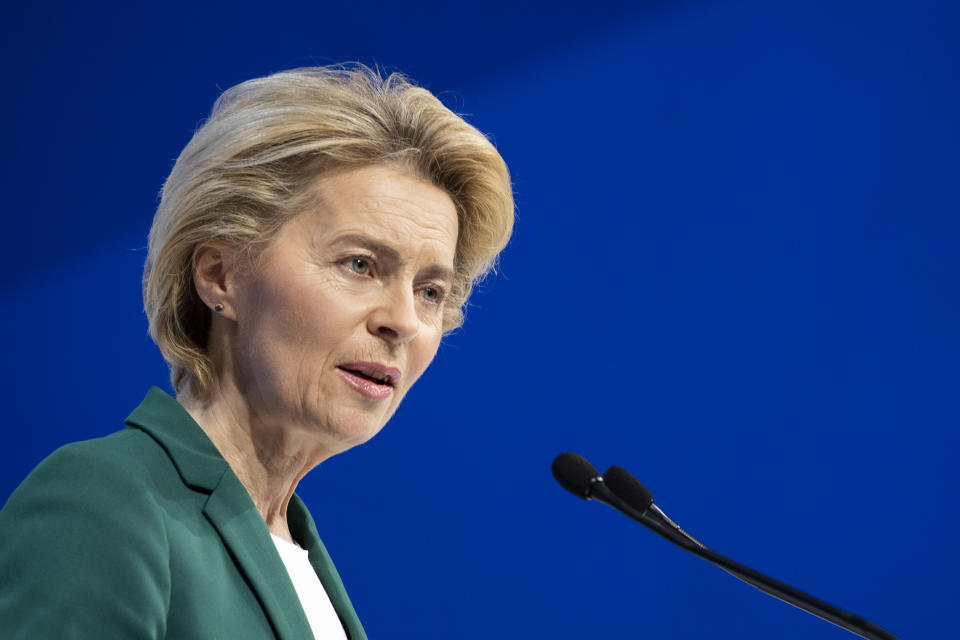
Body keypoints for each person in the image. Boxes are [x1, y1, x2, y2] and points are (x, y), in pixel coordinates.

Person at [0, 64, 514, 639]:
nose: (402, 321)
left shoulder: (295, 553)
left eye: (430, 292)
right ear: (220, 275)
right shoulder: (105, 503)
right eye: (360, 265)